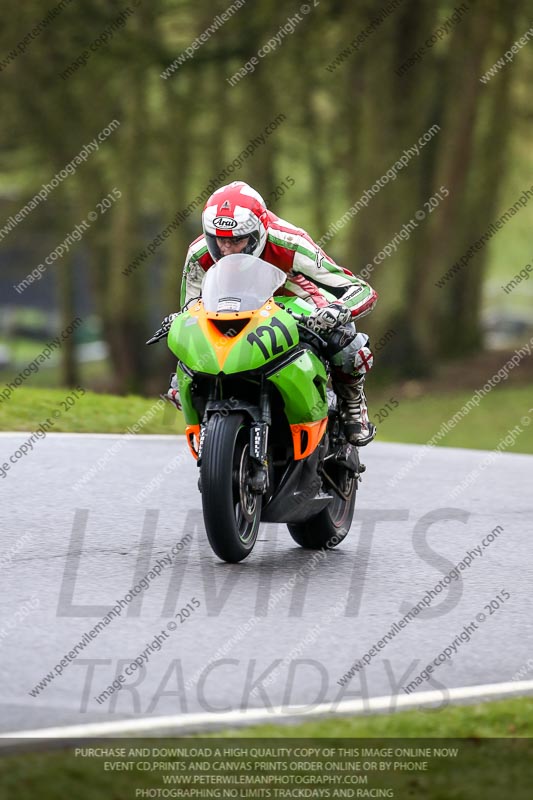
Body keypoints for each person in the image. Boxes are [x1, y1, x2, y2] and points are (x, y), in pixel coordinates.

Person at [165, 181, 378, 445]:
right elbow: (190, 306)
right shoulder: (199, 253)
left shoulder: (291, 242)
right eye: (219, 240)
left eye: (237, 240)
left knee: (346, 344)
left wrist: (338, 311)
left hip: (296, 306)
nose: (226, 249)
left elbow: (359, 288)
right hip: (234, 310)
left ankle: (352, 401)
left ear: (259, 231)